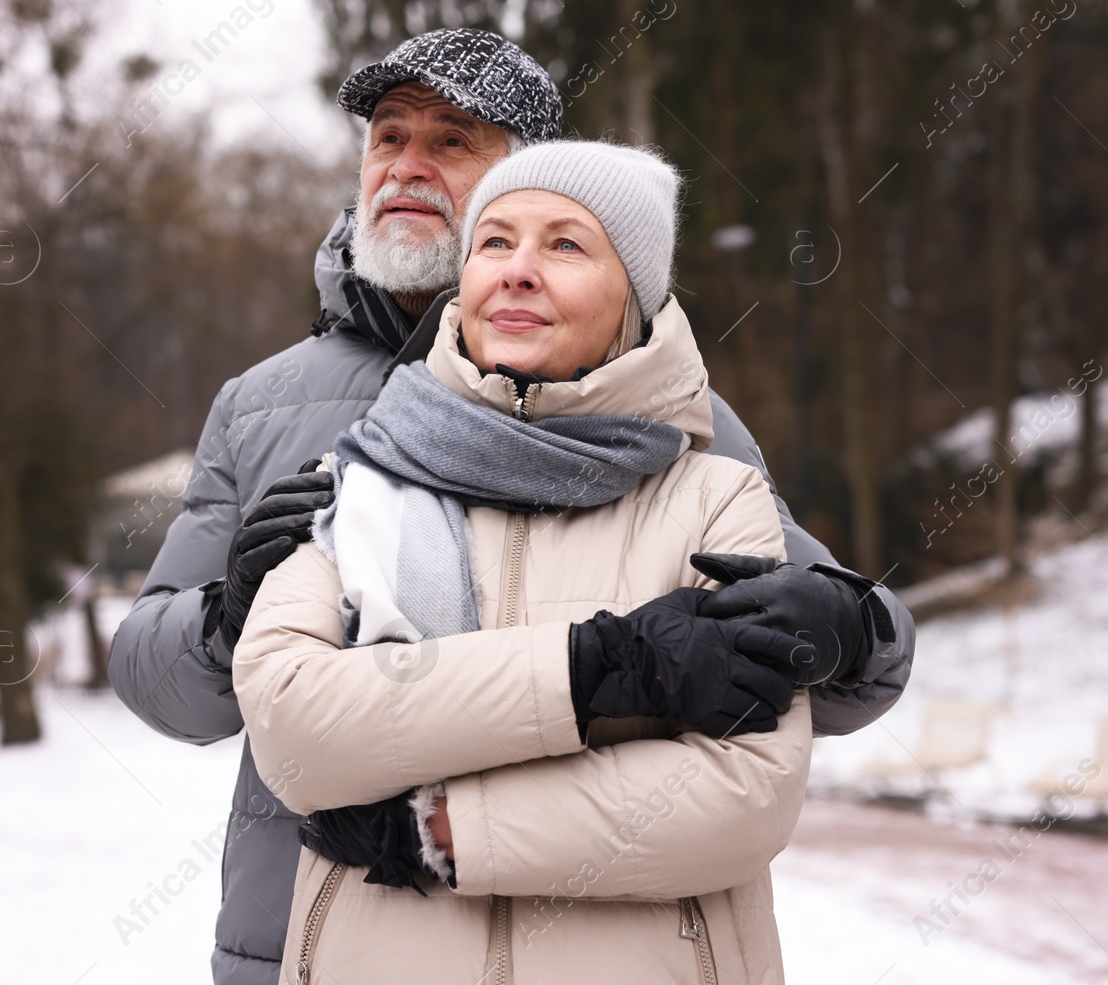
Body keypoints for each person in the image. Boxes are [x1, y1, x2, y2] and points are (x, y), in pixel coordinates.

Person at [108, 28, 914, 984]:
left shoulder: (671, 420)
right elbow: (157, 678)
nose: (406, 166)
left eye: (452, 141)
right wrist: (224, 619)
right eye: (388, 137)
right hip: (312, 935)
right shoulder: (264, 405)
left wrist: (855, 626)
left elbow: (809, 665)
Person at [236, 140, 813, 984]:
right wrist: (590, 671)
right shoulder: (354, 479)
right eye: (494, 242)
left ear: (636, 297)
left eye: (567, 245)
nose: (517, 271)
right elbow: (293, 731)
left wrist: (443, 829)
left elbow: (745, 793)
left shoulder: (715, 498)